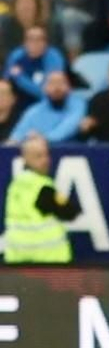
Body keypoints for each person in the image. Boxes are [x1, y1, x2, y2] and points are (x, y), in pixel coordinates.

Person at [3, 134, 81, 263]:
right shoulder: (43, 189)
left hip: (17, 261)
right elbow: (71, 212)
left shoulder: (16, 185)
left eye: (46, 155)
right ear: (26, 159)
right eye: (38, 156)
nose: (45, 160)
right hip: (48, 261)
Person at [7, 71, 87, 144]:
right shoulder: (34, 111)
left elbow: (68, 128)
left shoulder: (78, 105)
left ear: (69, 87)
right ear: (44, 88)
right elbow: (16, 136)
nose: (57, 88)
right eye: (52, 83)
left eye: (61, 83)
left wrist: (43, 138)